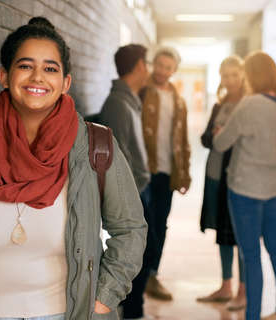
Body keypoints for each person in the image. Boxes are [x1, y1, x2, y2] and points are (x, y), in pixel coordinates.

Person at [0, 17, 147, 320]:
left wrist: (104, 298)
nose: (38, 77)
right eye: (25, 66)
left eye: (50, 68)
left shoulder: (95, 144)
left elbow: (130, 229)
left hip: (69, 313)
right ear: (4, 75)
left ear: (65, 83)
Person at [213, 51, 276, 320]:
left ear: (251, 76)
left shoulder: (250, 105)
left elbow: (221, 144)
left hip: (244, 189)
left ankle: (252, 315)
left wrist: (221, 133)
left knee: (251, 254)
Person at [99, 44, 153, 320]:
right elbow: (118, 161)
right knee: (136, 260)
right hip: (134, 195)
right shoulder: (118, 104)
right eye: (149, 64)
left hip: (142, 190)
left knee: (146, 256)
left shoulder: (130, 99)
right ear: (140, 66)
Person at [140, 47, 192, 301]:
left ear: (174, 70)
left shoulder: (179, 100)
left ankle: (151, 275)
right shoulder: (141, 91)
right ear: (153, 65)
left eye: (168, 67)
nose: (162, 71)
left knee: (160, 224)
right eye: (159, 65)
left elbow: (182, 139)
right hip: (144, 169)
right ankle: (135, 275)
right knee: (142, 225)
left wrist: (184, 174)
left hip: (167, 172)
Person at [197, 55, 247, 311]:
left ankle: (243, 291)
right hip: (215, 176)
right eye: (225, 76)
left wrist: (228, 136)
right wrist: (215, 135)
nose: (230, 81)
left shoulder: (249, 105)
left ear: (243, 75)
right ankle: (225, 286)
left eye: (234, 75)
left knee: (240, 235)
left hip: (237, 179)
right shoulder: (219, 105)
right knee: (223, 235)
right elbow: (205, 139)